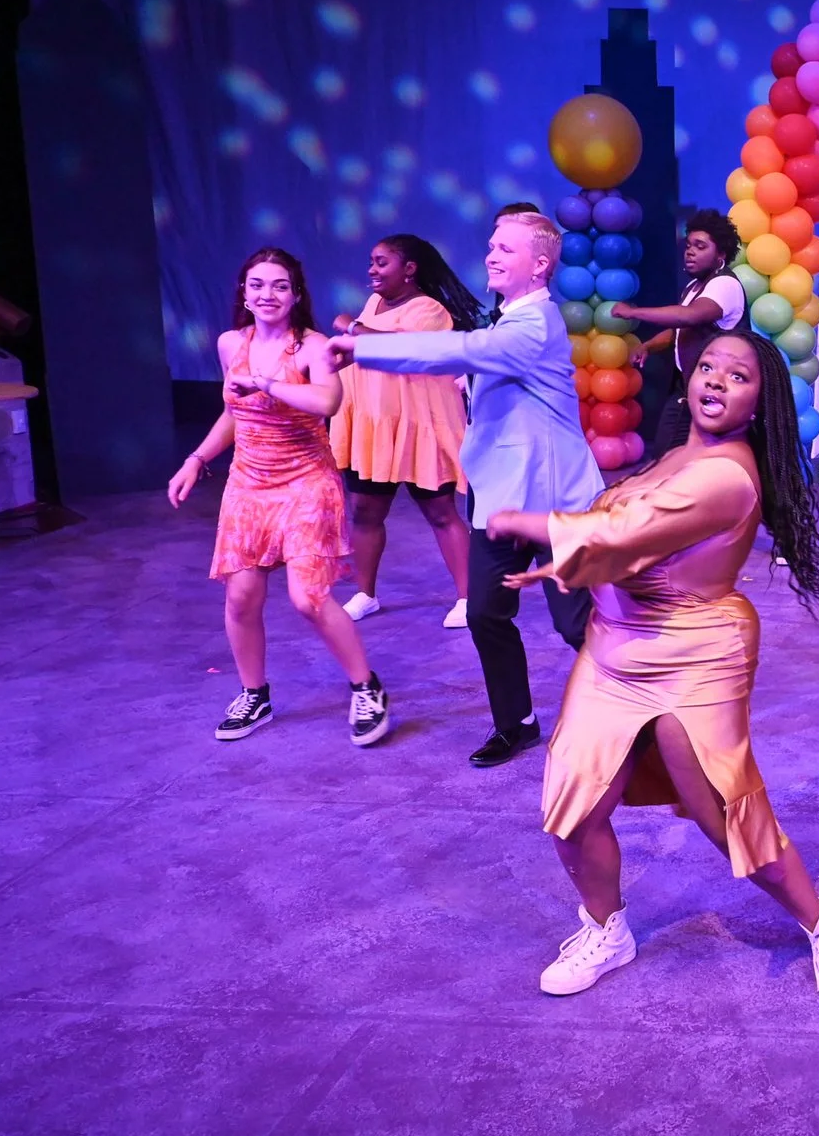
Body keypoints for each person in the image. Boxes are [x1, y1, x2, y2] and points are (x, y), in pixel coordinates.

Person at [487, 328, 819, 1005]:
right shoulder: (670, 457)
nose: (716, 380)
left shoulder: (725, 474)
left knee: (721, 814)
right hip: (614, 649)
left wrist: (530, 523)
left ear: (761, 402)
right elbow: (630, 539)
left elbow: (626, 532)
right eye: (709, 366)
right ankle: (607, 928)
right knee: (573, 806)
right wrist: (563, 564)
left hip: (695, 652)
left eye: (739, 376)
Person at [328, 205, 602, 768]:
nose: (490, 255)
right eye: (492, 246)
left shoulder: (535, 322)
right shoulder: (508, 321)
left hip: (556, 504)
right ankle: (516, 723)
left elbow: (462, 349)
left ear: (541, 265)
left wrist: (360, 344)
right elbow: (482, 367)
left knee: (576, 624)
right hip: (501, 498)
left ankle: (641, 717)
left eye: (505, 248)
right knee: (484, 614)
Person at [169, 247, 390, 747]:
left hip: (306, 483)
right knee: (241, 597)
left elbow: (328, 401)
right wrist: (196, 459)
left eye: (279, 286)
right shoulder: (231, 344)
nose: (267, 294)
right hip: (248, 485)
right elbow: (235, 413)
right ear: (244, 294)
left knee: (308, 597)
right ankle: (254, 694)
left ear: (295, 295)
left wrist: (266, 383)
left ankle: (366, 687)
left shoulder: (311, 347)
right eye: (257, 285)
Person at [330, 235, 480, 630]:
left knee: (440, 512)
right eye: (371, 262)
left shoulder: (430, 310)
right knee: (364, 511)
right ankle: (365, 593)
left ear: (409, 269)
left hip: (418, 428)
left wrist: (352, 326)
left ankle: (468, 597)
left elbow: (404, 345)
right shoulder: (375, 304)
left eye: (381, 263)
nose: (372, 271)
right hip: (372, 426)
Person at [612, 209, 748, 461]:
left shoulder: (724, 284)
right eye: (689, 245)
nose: (690, 251)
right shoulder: (694, 286)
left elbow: (689, 317)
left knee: (692, 461)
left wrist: (634, 312)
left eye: (700, 246)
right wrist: (650, 346)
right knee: (669, 456)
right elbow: (680, 329)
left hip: (717, 391)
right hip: (688, 388)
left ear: (720, 254)